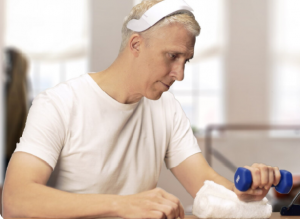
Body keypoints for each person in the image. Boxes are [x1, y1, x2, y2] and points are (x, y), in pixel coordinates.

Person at [2, 0, 282, 218]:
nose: (180, 74)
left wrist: (242, 194)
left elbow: (205, 184)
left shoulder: (166, 108)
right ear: (136, 44)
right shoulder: (60, 104)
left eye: (186, 60)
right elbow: (15, 200)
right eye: (172, 56)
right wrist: (123, 206)